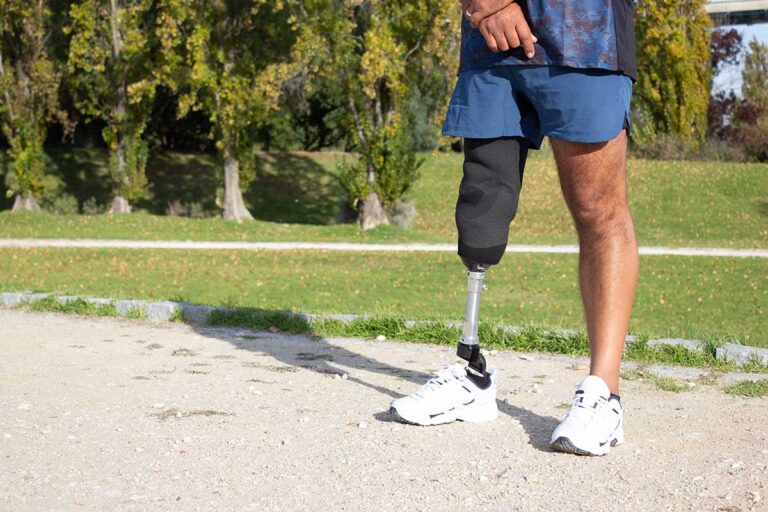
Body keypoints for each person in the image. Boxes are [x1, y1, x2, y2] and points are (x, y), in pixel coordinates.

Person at [390, 0, 638, 457]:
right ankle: (472, 373)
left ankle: (604, 394)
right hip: (490, 42)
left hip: (585, 36)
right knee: (481, 210)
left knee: (597, 209)